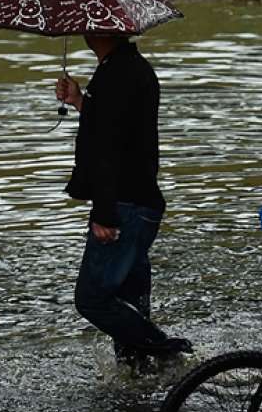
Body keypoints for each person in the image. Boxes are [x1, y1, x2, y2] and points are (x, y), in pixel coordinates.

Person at [56, 34, 191, 372]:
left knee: (93, 300)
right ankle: (142, 378)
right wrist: (79, 101)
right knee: (128, 303)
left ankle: (166, 352)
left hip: (124, 206)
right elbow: (116, 131)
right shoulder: (128, 69)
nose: (84, 29)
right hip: (137, 202)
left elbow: (108, 151)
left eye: (90, 22)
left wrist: (104, 212)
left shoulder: (118, 74)